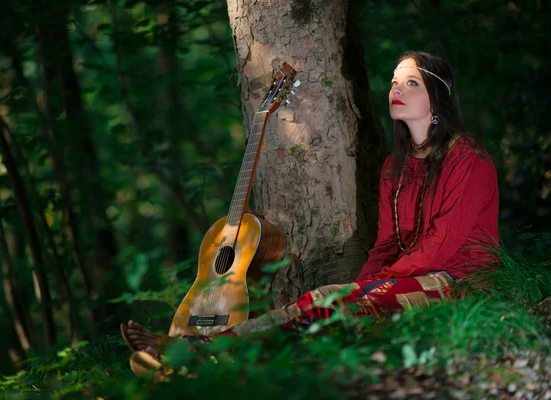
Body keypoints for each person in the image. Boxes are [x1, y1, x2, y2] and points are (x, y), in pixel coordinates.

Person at [122, 51, 500, 374]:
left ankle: (193, 349)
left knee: (326, 303)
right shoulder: (394, 168)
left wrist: (373, 284)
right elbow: (386, 243)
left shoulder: (466, 157)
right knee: (321, 310)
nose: (396, 89)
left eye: (411, 82)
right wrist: (365, 284)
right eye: (393, 82)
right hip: (406, 280)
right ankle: (197, 354)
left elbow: (443, 245)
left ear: (438, 96)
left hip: (459, 282)